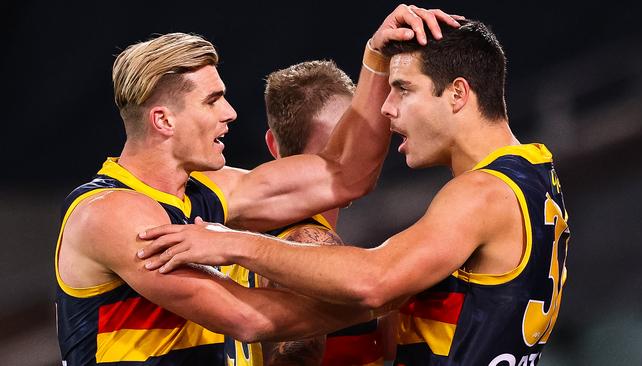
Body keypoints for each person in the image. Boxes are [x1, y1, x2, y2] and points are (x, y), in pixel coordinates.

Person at [140, 19, 570, 365]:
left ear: (457, 93)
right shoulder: (536, 169)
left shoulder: (481, 192)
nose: (387, 108)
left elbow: (375, 280)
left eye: (403, 89)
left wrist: (231, 244)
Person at [55, 5, 461, 365]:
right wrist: (385, 295)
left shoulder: (208, 191)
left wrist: (376, 56)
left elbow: (345, 173)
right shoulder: (110, 213)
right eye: (212, 101)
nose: (230, 113)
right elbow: (246, 317)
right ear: (164, 121)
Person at [223, 60, 396, 366]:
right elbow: (297, 353)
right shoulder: (308, 240)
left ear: (273, 145)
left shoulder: (242, 235)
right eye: (342, 144)